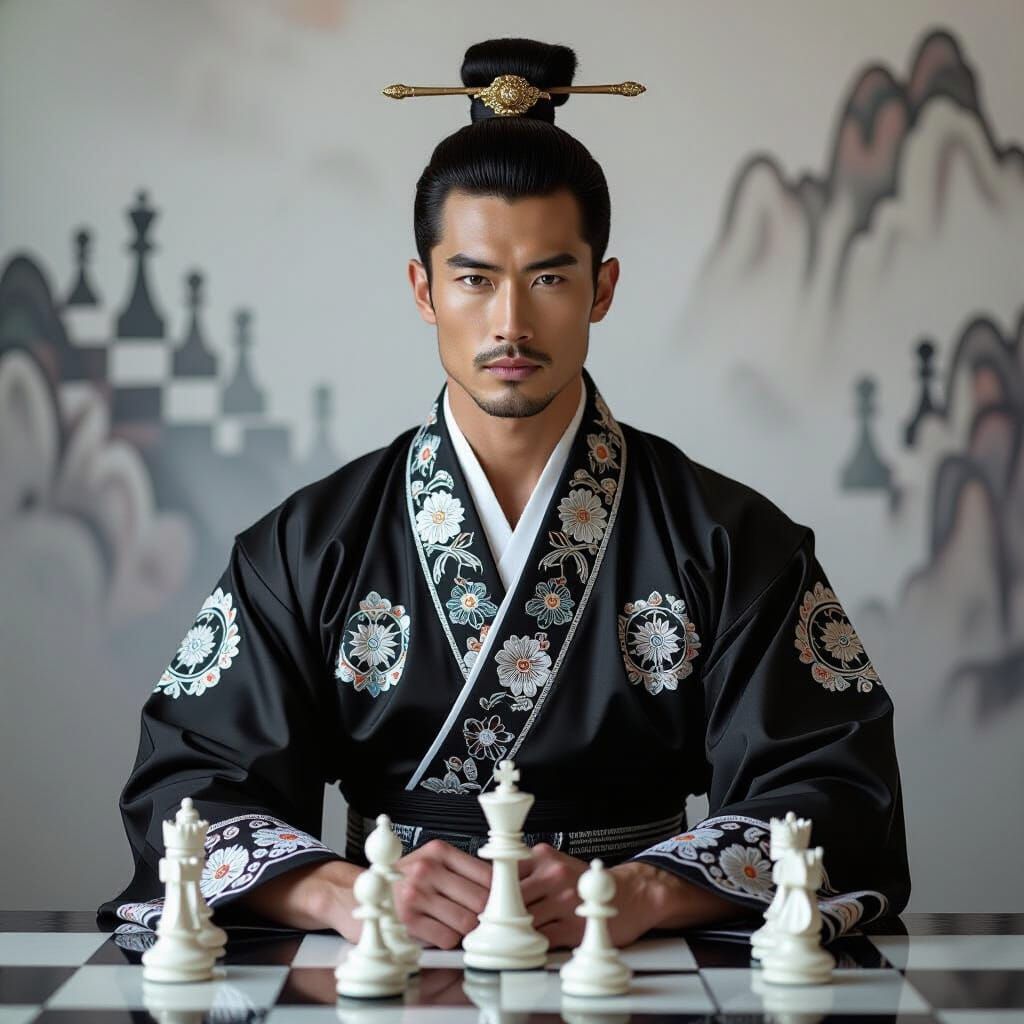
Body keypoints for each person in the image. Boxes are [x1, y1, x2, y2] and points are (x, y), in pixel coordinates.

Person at [99, 37, 910, 951]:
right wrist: (343, 895)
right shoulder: (307, 544)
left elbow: (837, 785)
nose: (511, 323)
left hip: (640, 961)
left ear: (602, 289)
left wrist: (644, 892)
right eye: (474, 279)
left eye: (550, 278)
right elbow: (187, 786)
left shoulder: (730, 538)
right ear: (424, 289)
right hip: (387, 960)